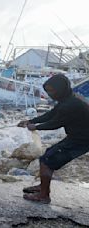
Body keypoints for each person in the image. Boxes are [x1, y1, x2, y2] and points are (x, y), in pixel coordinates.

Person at [18, 74, 89, 204]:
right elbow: (51, 114)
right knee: (47, 155)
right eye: (48, 91)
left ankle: (44, 195)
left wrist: (35, 126)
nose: (49, 94)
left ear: (61, 89)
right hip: (77, 136)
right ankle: (42, 187)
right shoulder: (69, 98)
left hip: (82, 140)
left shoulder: (70, 105)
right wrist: (30, 120)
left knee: (47, 160)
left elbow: (55, 123)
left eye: (52, 91)